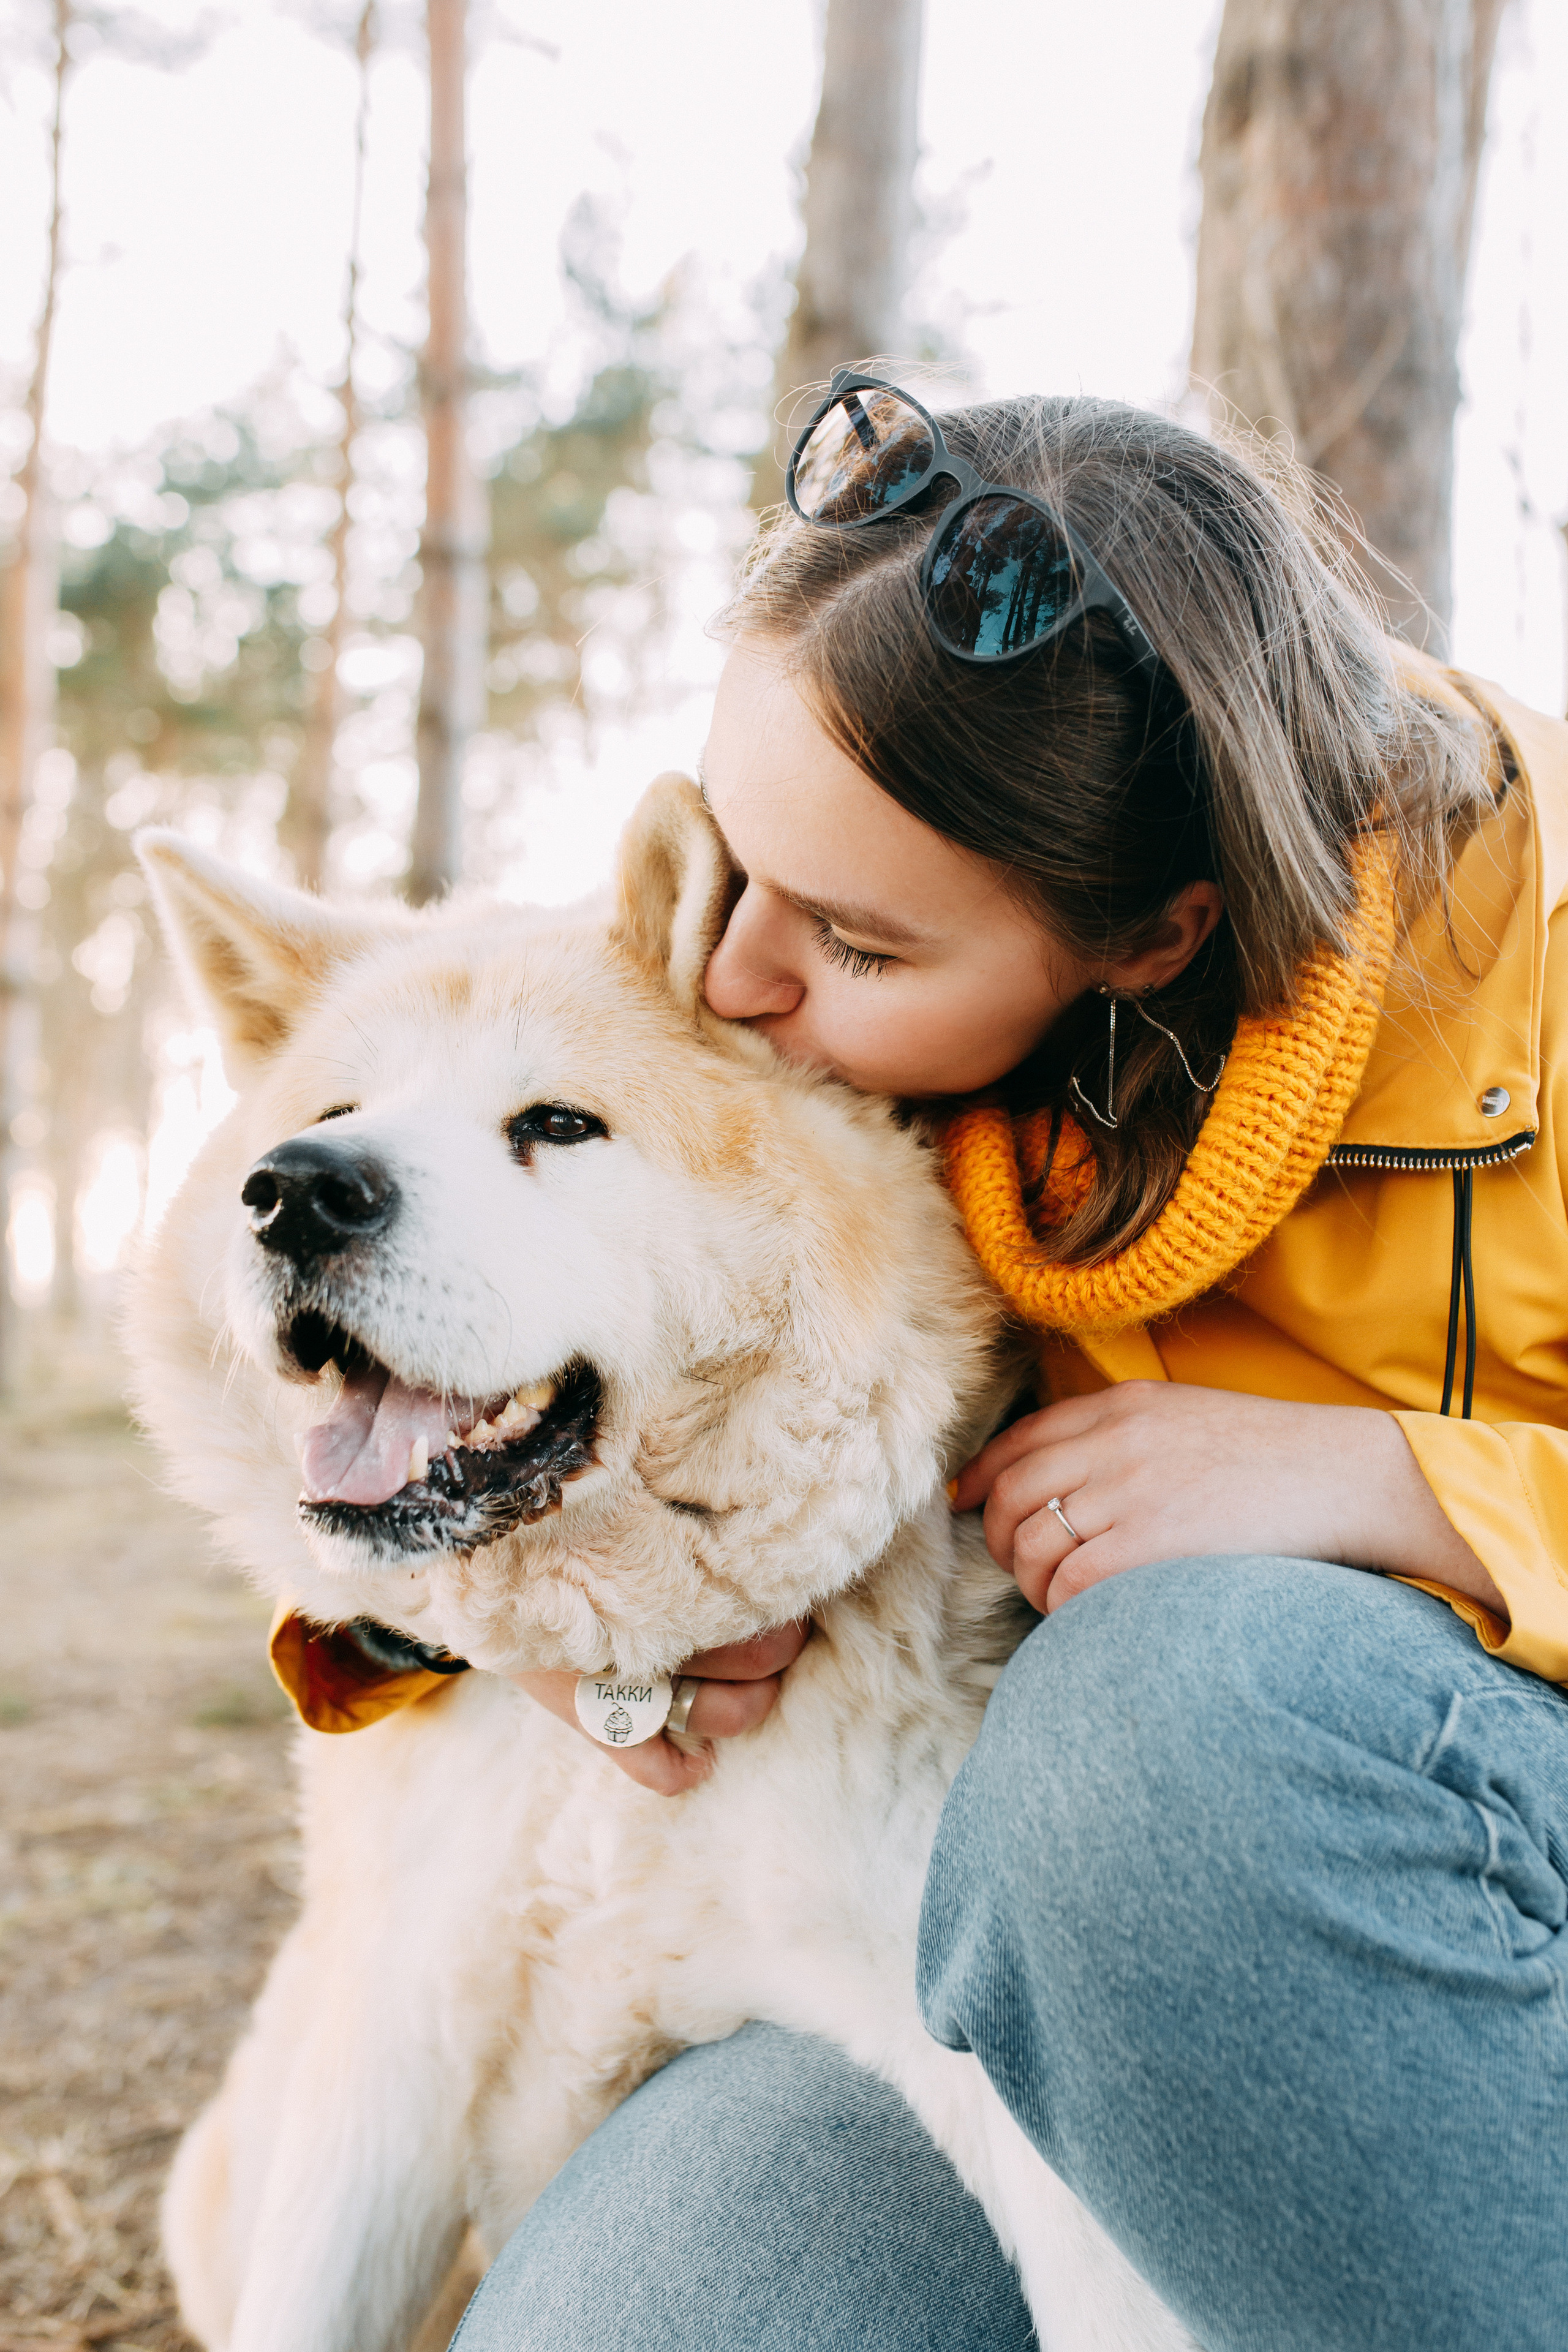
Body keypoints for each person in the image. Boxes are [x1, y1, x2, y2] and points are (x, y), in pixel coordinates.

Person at [413, 387, 1568, 2348]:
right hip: (1005, 1924)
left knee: (1158, 1728)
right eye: (734, 860)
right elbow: (456, 1318)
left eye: (853, 942)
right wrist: (539, 1608)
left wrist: (1397, 1487)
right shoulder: (823, 1000)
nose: (730, 981)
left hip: (1390, 1853)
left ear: (1152, 931)